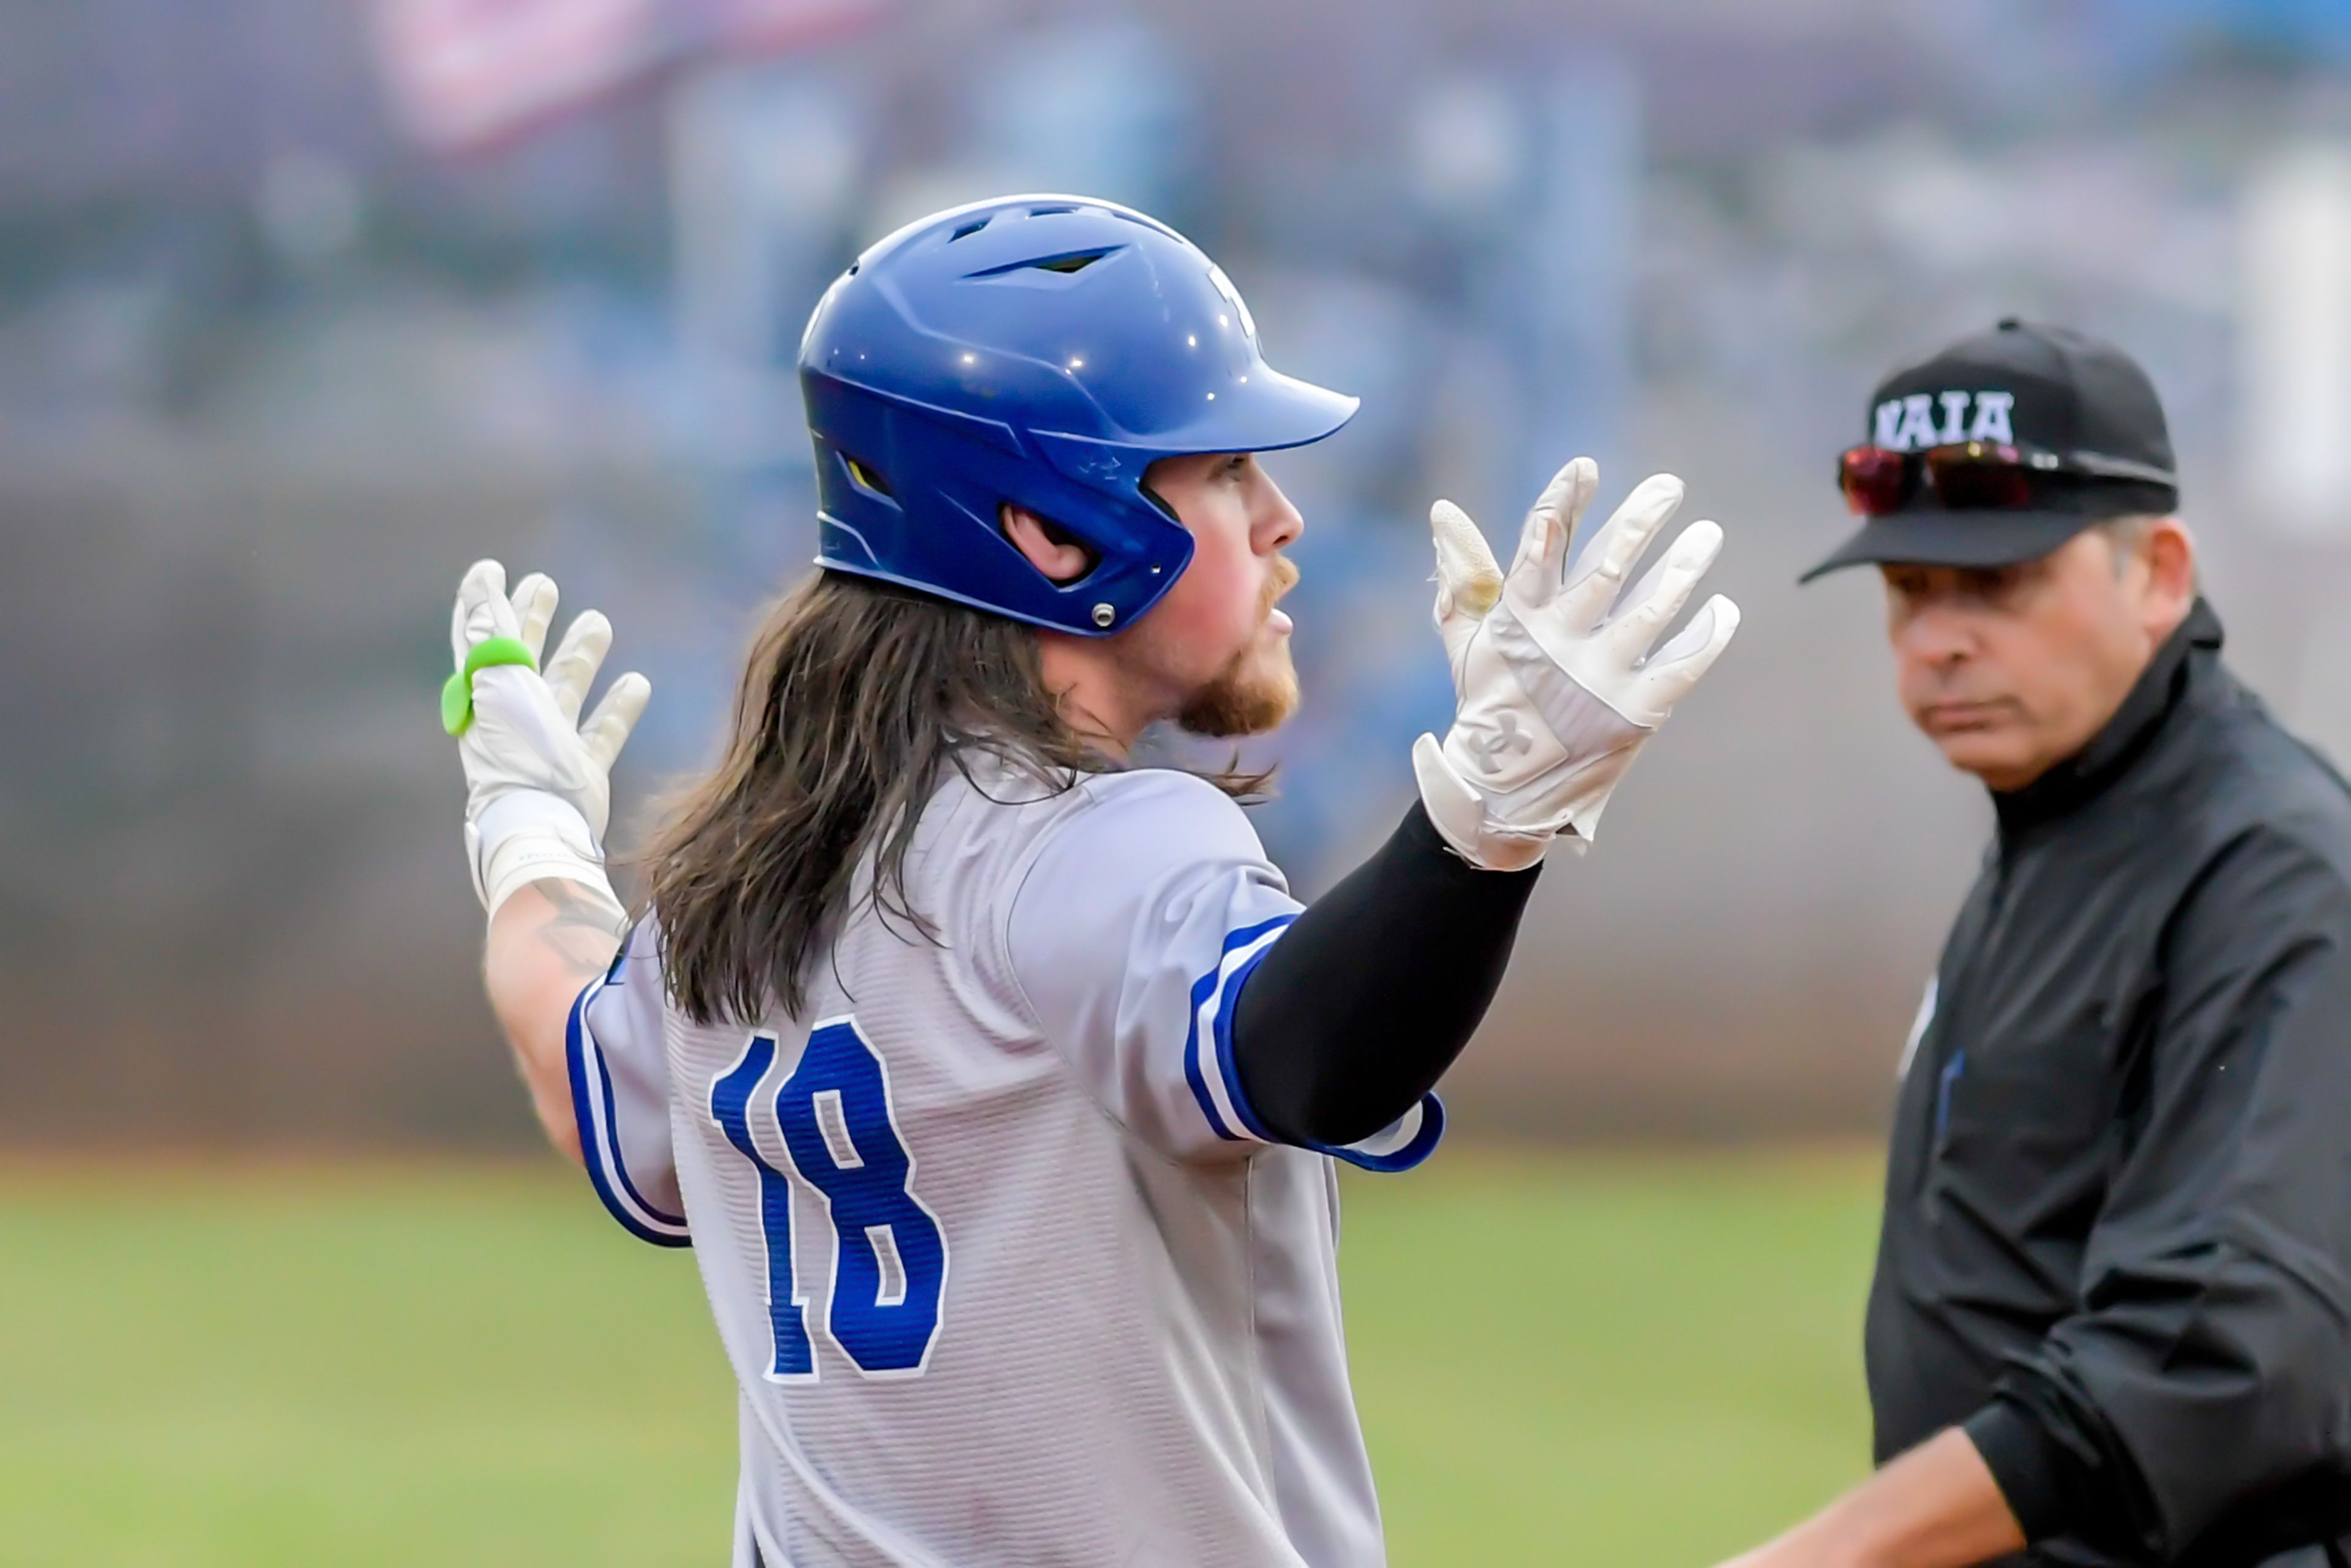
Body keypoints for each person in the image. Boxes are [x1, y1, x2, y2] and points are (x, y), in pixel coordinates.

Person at [440, 193, 1740, 1567]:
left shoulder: (739, 890)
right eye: (1226, 469)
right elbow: (1295, 1058)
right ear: (1054, 533)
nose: (1283, 518)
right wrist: (1483, 833)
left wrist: (527, 838)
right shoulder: (1091, 841)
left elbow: (575, 1057)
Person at [1718, 318, 2351, 1568]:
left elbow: (2213, 1352)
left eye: (1997, 584)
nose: (1938, 639)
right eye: (1908, 591)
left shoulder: (2268, 869)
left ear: (2159, 573)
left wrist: (1827, 1554)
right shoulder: (2064, 823)